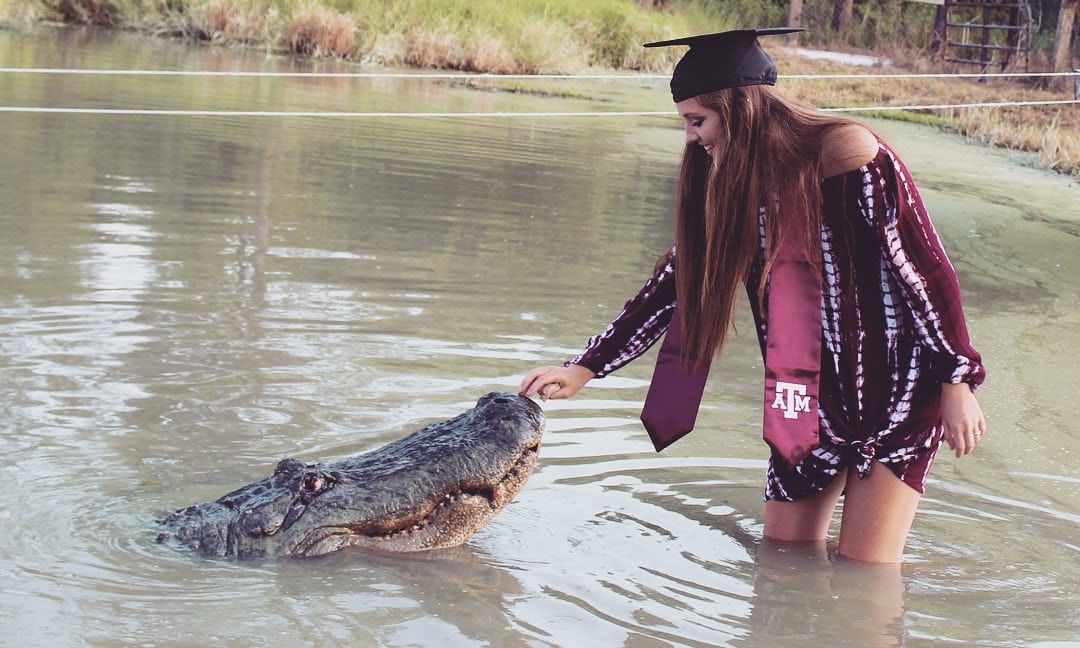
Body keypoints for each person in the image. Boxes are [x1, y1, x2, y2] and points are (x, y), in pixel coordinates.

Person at [518, 28, 987, 564]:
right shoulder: (732, 185)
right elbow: (679, 279)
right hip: (805, 398)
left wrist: (957, 380)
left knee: (866, 575)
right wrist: (586, 366)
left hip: (896, 394)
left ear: (737, 109)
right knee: (781, 563)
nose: (692, 138)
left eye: (698, 121)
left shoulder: (850, 156)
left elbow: (924, 272)